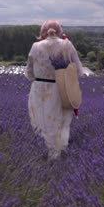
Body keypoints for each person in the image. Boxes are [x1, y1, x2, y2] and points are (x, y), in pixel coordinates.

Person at [24, 20, 83, 160]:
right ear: (59, 31)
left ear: (43, 33)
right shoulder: (67, 45)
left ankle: (46, 157)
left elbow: (28, 72)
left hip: (39, 90)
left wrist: (38, 79)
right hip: (62, 89)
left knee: (42, 124)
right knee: (61, 123)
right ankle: (59, 155)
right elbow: (79, 70)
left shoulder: (35, 46)